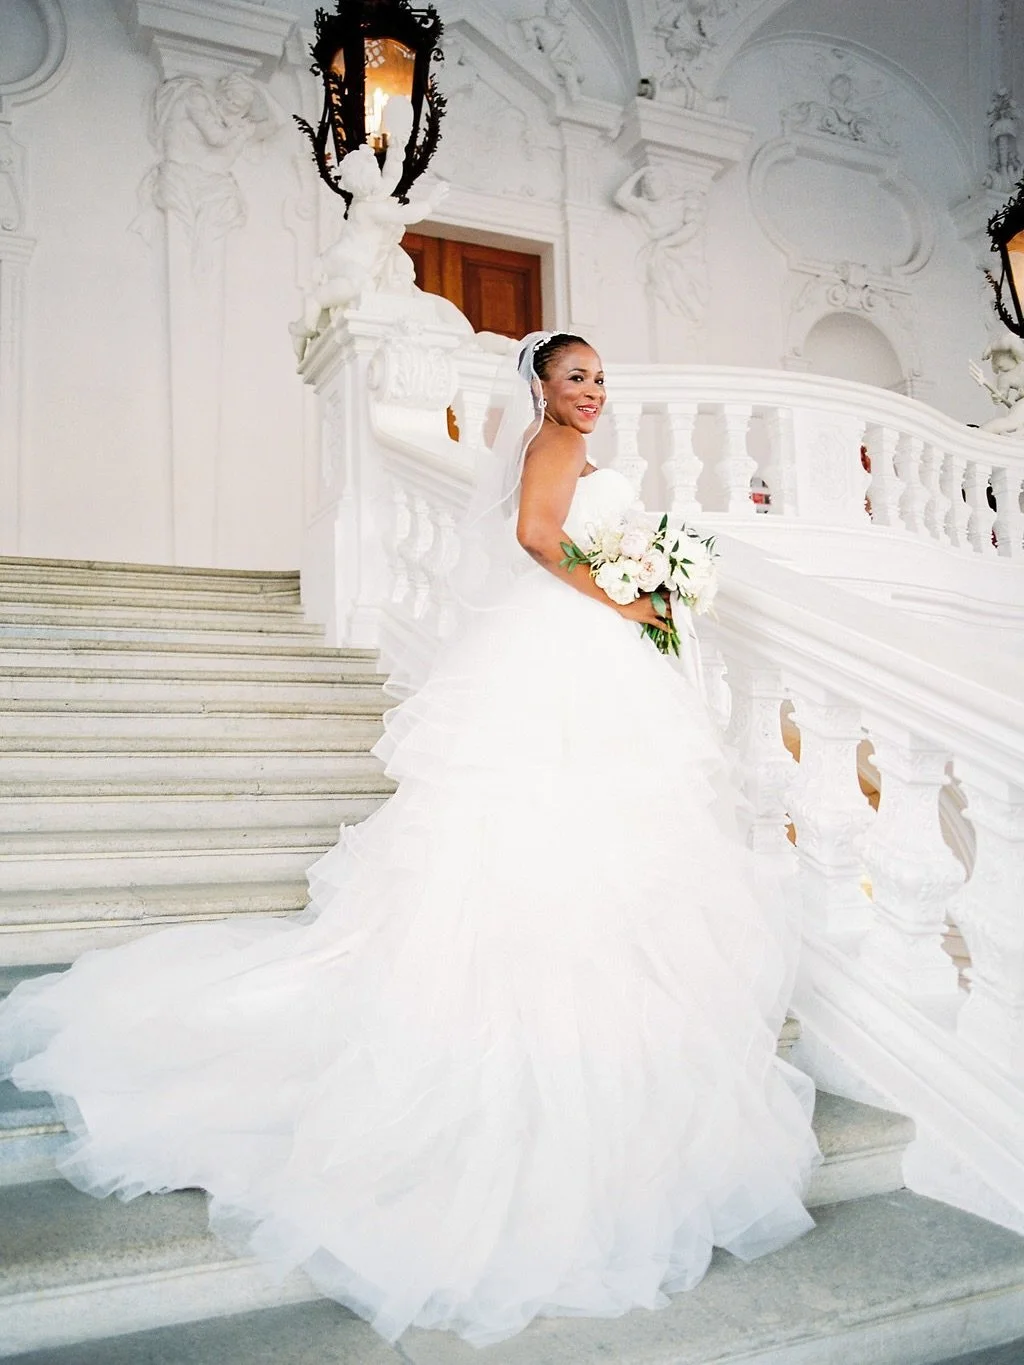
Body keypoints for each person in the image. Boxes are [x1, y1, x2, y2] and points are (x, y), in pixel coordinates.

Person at [0, 332, 819, 1348]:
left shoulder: (570, 448)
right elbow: (533, 536)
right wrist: (630, 595)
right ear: (540, 387)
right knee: (554, 829)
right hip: (569, 651)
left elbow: (560, 537)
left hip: (577, 648)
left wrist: (647, 590)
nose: (591, 393)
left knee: (586, 838)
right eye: (575, 378)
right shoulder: (550, 448)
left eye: (600, 379)